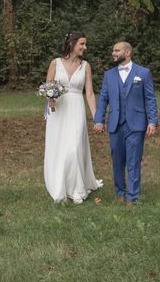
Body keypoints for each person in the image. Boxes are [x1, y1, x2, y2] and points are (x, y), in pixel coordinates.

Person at [93, 41, 158, 207]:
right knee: (117, 160)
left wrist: (152, 121)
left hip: (136, 124)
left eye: (117, 50)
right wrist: (99, 120)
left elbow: (150, 99)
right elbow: (103, 99)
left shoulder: (143, 73)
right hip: (115, 123)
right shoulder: (109, 75)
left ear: (127, 52)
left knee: (134, 160)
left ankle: (132, 196)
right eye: (113, 50)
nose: (113, 53)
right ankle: (120, 192)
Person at [43, 32, 103, 203]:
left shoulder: (86, 66)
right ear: (72, 44)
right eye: (82, 44)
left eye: (85, 44)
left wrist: (96, 118)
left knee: (75, 147)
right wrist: (50, 98)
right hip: (59, 111)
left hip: (76, 109)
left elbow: (90, 93)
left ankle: (76, 188)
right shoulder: (55, 63)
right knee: (60, 147)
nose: (85, 47)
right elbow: (48, 86)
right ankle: (60, 183)